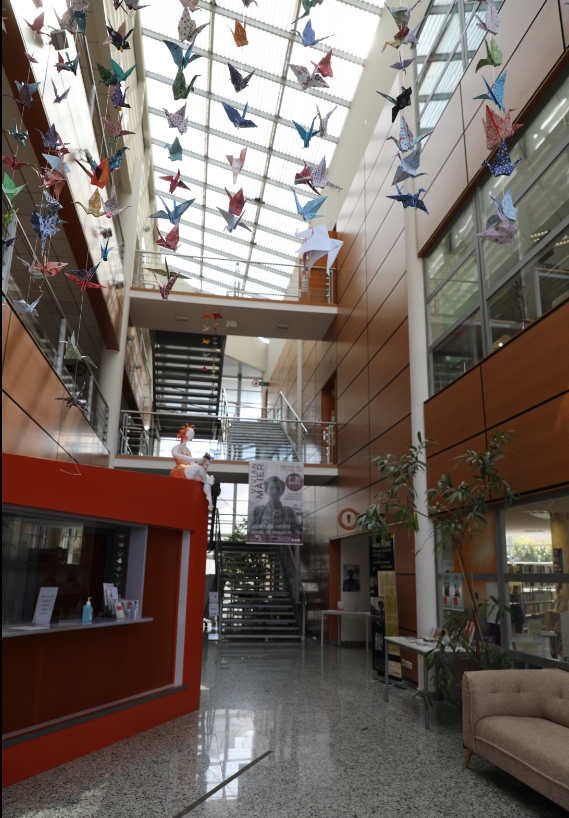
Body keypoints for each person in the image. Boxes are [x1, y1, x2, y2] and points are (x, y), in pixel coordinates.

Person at [170, 424, 215, 510]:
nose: (191, 438)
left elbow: (192, 464)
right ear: (185, 436)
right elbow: (181, 457)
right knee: (202, 475)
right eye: (191, 436)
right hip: (180, 470)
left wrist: (203, 468)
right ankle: (207, 482)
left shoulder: (188, 450)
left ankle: (210, 502)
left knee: (203, 474)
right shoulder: (176, 447)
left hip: (188, 468)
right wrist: (196, 459)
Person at [249, 476, 301, 541]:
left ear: (282, 491)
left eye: (278, 488)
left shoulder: (290, 512)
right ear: (266, 490)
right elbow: (250, 533)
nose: (275, 491)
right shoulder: (257, 511)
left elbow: (298, 533)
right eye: (271, 488)